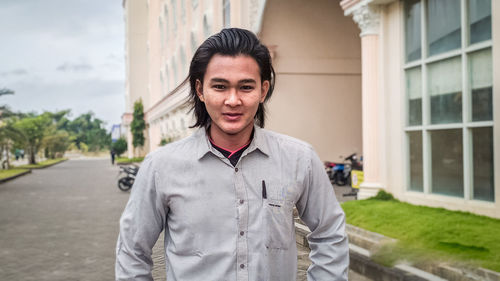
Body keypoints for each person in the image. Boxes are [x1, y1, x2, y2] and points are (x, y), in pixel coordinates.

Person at [116, 28, 348, 281]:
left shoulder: (300, 159)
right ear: (201, 90)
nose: (233, 100)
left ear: (263, 90)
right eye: (220, 86)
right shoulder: (161, 167)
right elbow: (132, 252)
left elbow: (330, 234)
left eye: (246, 87)